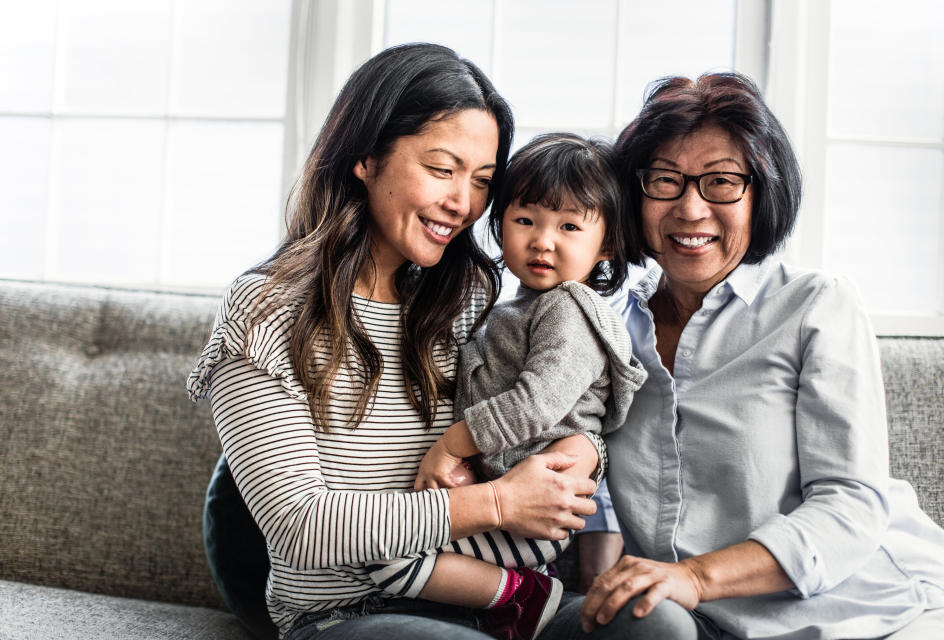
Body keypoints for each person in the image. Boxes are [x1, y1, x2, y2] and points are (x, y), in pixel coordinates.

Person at [187, 43, 697, 640]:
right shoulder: (267, 311)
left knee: (655, 624)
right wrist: (499, 504)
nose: (462, 204)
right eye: (441, 169)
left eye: (482, 181)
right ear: (365, 157)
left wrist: (583, 453)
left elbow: (547, 414)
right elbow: (300, 525)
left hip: (493, 589)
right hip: (350, 613)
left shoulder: (468, 301)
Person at [577, 72, 944, 639]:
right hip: (703, 623)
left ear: (763, 193)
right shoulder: (603, 329)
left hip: (878, 609)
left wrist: (696, 577)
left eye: (722, 182)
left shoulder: (815, 306)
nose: (690, 208)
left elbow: (851, 504)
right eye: (665, 180)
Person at [364, 133, 647, 640]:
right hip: (500, 501)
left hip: (535, 516)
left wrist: (452, 446)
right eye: (525, 221)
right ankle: (503, 602)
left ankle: (530, 598)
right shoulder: (511, 309)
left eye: (568, 226)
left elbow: (536, 405)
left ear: (607, 244)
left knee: (388, 558)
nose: (543, 240)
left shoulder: (571, 310)